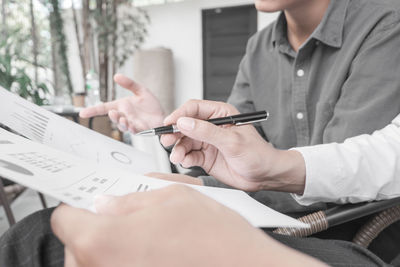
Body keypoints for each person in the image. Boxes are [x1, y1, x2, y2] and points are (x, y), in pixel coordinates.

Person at [80, 0, 400, 216]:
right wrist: (170, 126)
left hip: (349, 232)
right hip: (268, 218)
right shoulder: (258, 47)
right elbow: (233, 158)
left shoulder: (385, 23)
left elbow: (344, 182)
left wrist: (199, 187)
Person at [16, 99, 400, 267]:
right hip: (251, 208)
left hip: (329, 232)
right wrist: (269, 168)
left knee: (46, 236)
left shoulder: (381, 23)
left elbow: (353, 181)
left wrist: (249, 260)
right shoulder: (257, 48)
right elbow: (221, 152)